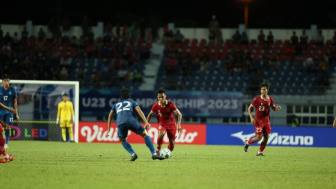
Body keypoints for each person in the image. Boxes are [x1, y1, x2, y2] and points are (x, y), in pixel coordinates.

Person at [106, 89, 165, 161]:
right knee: (145, 134)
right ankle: (154, 154)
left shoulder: (116, 104)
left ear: (121, 97)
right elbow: (139, 110)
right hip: (130, 121)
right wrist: (146, 121)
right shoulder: (132, 101)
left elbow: (110, 116)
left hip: (120, 123)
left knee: (122, 140)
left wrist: (108, 129)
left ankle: (133, 154)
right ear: (129, 97)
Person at [244, 82, 281, 156]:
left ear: (267, 90)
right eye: (261, 89)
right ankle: (247, 142)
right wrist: (251, 117)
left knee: (267, 137)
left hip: (266, 121)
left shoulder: (270, 99)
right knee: (258, 138)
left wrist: (276, 109)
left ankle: (259, 152)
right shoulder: (257, 99)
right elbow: (249, 108)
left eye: (264, 89)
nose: (262, 91)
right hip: (258, 121)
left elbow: (273, 108)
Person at [146, 89, 182, 158]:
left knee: (171, 143)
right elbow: (150, 114)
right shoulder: (156, 105)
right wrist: (146, 123)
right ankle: (158, 150)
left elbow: (179, 114)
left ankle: (168, 152)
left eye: (162, 97)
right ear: (157, 97)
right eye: (159, 97)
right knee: (161, 134)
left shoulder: (170, 104)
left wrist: (179, 124)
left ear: (165, 96)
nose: (160, 99)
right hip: (162, 122)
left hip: (171, 123)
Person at [0, 74, 19, 149]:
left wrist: (16, 113)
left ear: (9, 81)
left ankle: (6, 144)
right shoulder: (0, 90)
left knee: (8, 126)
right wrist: (9, 109)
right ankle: (1, 144)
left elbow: (15, 102)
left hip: (9, 112)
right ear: (2, 82)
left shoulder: (13, 90)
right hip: (1, 111)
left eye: (8, 80)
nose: (7, 82)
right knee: (0, 129)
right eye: (5, 81)